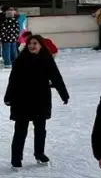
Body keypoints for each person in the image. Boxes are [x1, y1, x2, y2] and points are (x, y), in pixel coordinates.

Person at [6, 35, 69, 168]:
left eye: (35, 43)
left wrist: (64, 94)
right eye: (30, 43)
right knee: (20, 131)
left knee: (40, 129)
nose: (32, 46)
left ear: (41, 45)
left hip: (41, 99)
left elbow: (56, 77)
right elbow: (13, 80)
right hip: (22, 100)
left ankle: (39, 153)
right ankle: (16, 158)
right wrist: (8, 97)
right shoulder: (20, 60)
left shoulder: (47, 60)